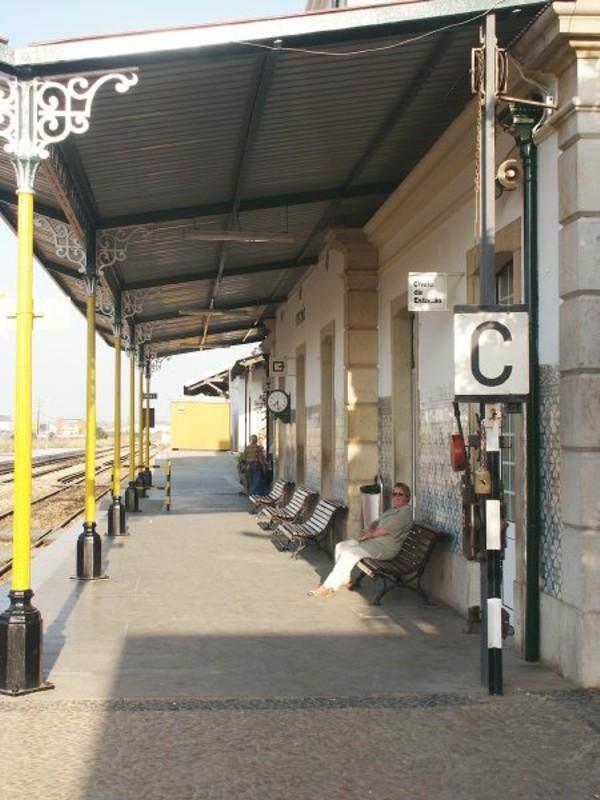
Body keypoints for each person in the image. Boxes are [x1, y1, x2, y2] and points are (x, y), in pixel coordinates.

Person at [308, 482, 413, 597]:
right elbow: (376, 522)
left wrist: (366, 536)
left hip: (384, 548)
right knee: (341, 546)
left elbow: (384, 531)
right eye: (394, 494)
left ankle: (328, 586)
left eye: (400, 494)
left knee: (349, 554)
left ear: (407, 497)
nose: (397, 497)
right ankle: (344, 580)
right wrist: (370, 530)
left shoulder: (405, 513)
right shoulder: (393, 510)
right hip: (374, 542)